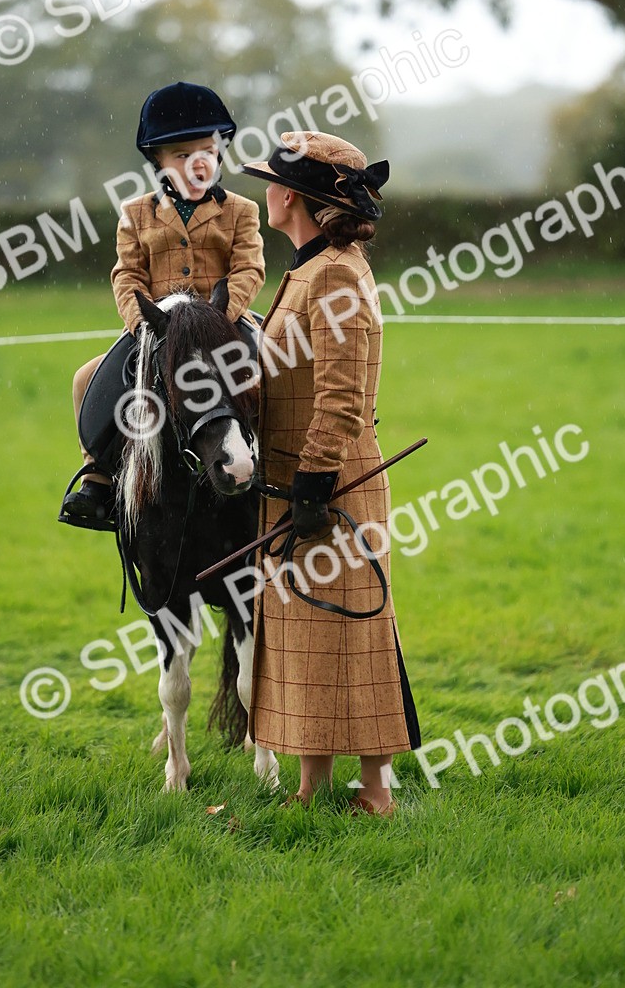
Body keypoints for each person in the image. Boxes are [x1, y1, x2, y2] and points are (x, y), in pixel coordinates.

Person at [240, 130, 420, 816]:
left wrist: (314, 482)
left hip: (334, 481)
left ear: (292, 197)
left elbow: (343, 395)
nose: (265, 190)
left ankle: (374, 794)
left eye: (270, 181)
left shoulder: (337, 273)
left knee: (350, 638)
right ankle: (313, 787)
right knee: (305, 641)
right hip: (293, 481)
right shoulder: (311, 266)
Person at [60, 81, 265, 524]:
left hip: (223, 323)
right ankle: (99, 480)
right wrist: (144, 324)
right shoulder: (136, 213)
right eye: (180, 155)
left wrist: (218, 318)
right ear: (158, 162)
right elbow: (127, 275)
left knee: (279, 369)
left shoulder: (242, 210)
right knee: (84, 380)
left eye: (205, 151)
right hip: (156, 327)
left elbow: (250, 269)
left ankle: (288, 471)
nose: (196, 163)